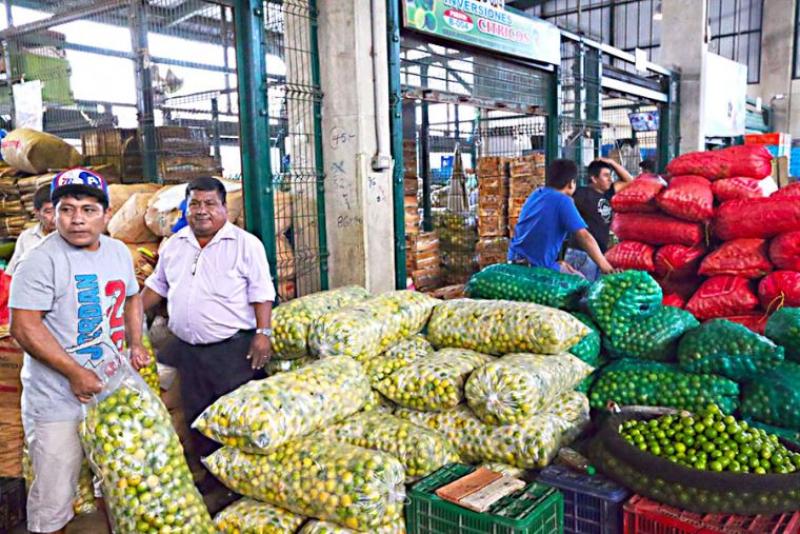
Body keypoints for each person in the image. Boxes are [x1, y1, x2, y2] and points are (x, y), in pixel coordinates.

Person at [9, 168, 147, 534]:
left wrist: (135, 343)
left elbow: (133, 296)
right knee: (54, 496)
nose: (77, 220)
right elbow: (23, 327)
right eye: (66, 209)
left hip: (111, 393)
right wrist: (73, 372)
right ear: (52, 214)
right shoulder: (40, 260)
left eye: (88, 209)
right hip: (56, 399)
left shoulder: (117, 251)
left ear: (105, 214)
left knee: (117, 482)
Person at [140, 176, 275, 482]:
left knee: (233, 417)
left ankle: (239, 484)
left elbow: (262, 292)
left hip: (232, 350)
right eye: (195, 204)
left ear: (224, 208)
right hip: (189, 350)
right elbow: (157, 286)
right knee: (197, 416)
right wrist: (130, 313)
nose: (202, 210)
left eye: (210, 204)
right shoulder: (175, 244)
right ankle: (211, 480)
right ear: (186, 208)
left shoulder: (245, 244)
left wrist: (263, 334)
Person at [507, 159, 615, 276]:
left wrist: (557, 265)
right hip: (536, 268)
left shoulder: (537, 194)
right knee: (581, 281)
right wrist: (606, 267)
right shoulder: (563, 200)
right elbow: (584, 236)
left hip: (515, 260)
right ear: (571, 183)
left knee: (569, 270)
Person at [564, 158, 634, 280]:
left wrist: (612, 162)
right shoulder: (581, 193)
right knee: (581, 290)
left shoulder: (608, 194)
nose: (610, 179)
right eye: (606, 175)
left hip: (599, 256)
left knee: (594, 290)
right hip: (581, 253)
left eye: (610, 175)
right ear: (594, 178)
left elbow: (630, 181)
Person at [6, 184, 55, 275]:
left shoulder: (72, 236)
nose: (55, 217)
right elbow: (12, 271)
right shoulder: (26, 237)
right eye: (49, 212)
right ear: (37, 213)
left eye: (59, 210)